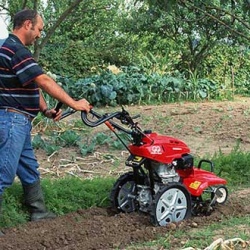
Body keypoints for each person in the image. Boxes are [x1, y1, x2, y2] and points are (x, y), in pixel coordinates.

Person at [0, 9, 91, 235]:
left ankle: (38, 211)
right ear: (28, 24)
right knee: (3, 172)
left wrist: (46, 110)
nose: (40, 34)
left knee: (29, 168)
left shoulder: (10, 49)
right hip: (13, 120)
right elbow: (43, 80)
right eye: (39, 29)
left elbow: (31, 83)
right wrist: (74, 103)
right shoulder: (15, 49)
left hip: (19, 120)